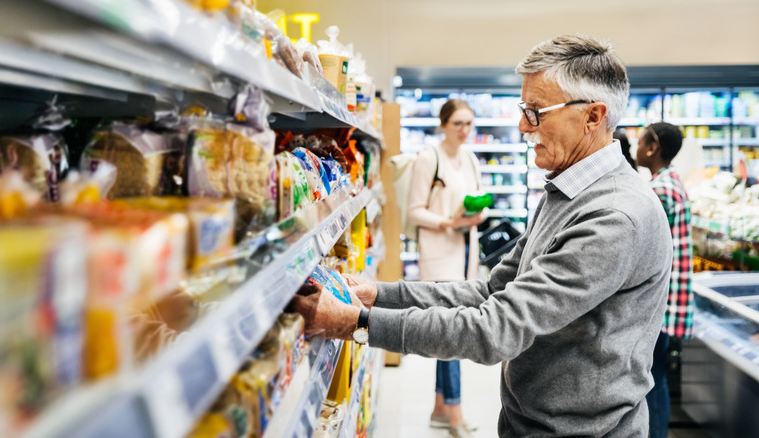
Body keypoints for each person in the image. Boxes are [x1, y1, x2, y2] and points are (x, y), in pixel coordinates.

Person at [292, 35, 673, 437]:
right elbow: (491, 291)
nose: (523, 124)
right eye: (523, 109)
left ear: (593, 116)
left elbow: (495, 328)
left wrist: (356, 323)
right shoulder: (565, 191)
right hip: (529, 422)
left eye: (536, 111)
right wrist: (378, 294)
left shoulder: (614, 216)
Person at [407, 99, 485, 436]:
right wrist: (447, 223)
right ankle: (455, 413)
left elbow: (478, 197)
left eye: (469, 123)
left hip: (466, 255)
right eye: (458, 124)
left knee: (446, 334)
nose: (464, 130)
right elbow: (413, 210)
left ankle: (439, 408)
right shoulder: (428, 158)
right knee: (453, 334)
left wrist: (477, 215)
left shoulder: (469, 158)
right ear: (443, 124)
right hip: (440, 256)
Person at [635, 122, 694, 438]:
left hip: (658, 304)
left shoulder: (659, 191)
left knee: (652, 381)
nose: (636, 144)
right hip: (670, 301)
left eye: (641, 139)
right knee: (655, 378)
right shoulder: (671, 181)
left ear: (652, 147)